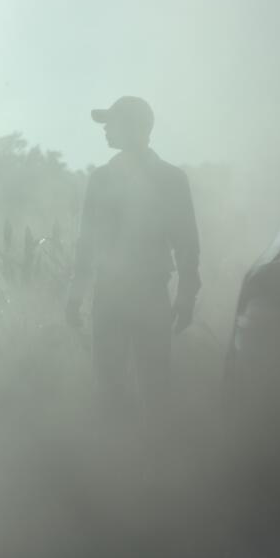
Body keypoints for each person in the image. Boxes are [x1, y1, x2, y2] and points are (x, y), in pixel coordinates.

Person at [65, 96, 201, 405]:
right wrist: (75, 294)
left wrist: (187, 293)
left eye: (111, 123)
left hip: (146, 294)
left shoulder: (170, 179)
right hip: (118, 295)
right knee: (111, 389)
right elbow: (87, 242)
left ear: (133, 127)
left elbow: (186, 242)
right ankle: (121, 449)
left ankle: (148, 448)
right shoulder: (103, 179)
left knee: (153, 388)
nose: (105, 130)